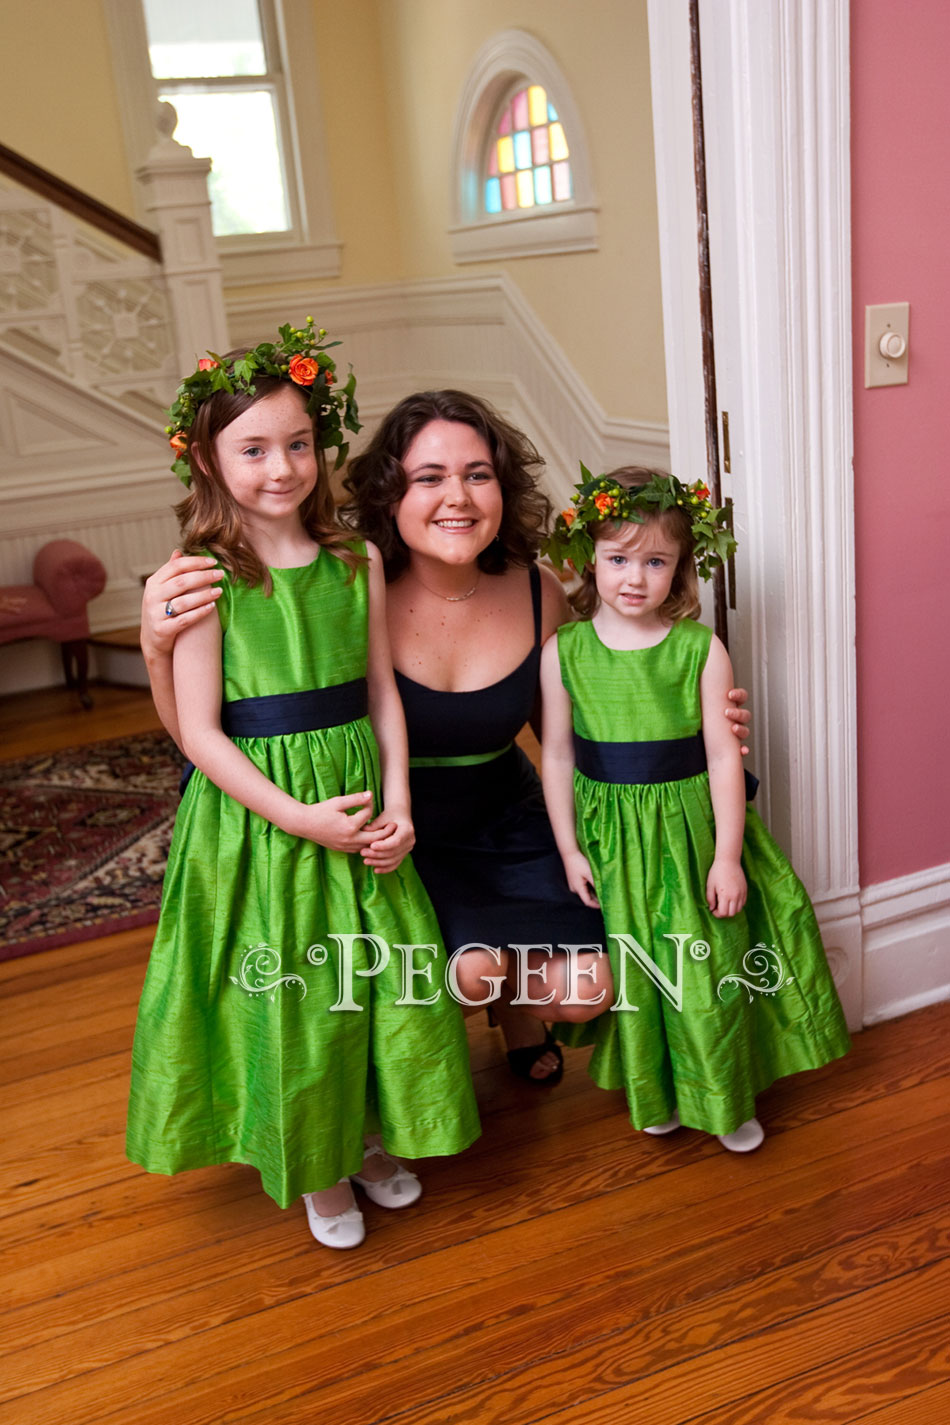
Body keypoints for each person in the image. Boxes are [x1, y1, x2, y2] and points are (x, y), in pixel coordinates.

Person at [140, 389, 752, 1080]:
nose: (456, 497)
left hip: (507, 820)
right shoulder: (348, 580)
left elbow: (578, 729)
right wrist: (156, 649)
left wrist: (698, 727)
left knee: (590, 988)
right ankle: (478, 1006)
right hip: (389, 831)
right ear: (390, 493)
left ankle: (511, 1001)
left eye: (478, 475)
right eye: (429, 477)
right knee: (455, 975)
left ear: (502, 489)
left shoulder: (538, 591)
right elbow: (203, 734)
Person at [126, 326, 479, 1251]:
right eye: (253, 449)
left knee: (374, 982)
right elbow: (199, 733)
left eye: (297, 445)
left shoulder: (353, 559)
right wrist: (298, 818)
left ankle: (364, 1136)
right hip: (269, 821)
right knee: (300, 993)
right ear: (208, 458)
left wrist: (396, 800)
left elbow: (381, 696)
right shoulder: (208, 580)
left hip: (357, 804)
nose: (281, 468)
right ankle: (316, 1165)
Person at [539, 467, 850, 1152]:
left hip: (689, 832)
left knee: (705, 969)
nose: (634, 577)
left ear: (680, 568)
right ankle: (658, 1088)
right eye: (618, 557)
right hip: (615, 840)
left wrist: (728, 855)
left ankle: (726, 1093)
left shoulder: (699, 651)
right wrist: (569, 849)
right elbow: (557, 753)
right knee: (644, 973)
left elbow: (720, 756)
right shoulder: (563, 652)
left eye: (656, 561)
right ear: (589, 555)